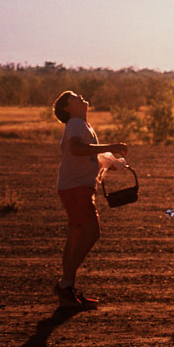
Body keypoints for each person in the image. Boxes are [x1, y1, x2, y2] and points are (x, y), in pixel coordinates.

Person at [52, 91, 127, 309]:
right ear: (68, 108)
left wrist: (109, 161)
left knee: (76, 233)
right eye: (74, 97)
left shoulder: (81, 124)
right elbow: (76, 149)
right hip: (76, 187)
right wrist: (109, 147)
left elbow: (84, 152)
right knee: (91, 232)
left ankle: (67, 287)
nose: (80, 97)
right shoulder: (75, 123)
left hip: (72, 185)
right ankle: (65, 284)